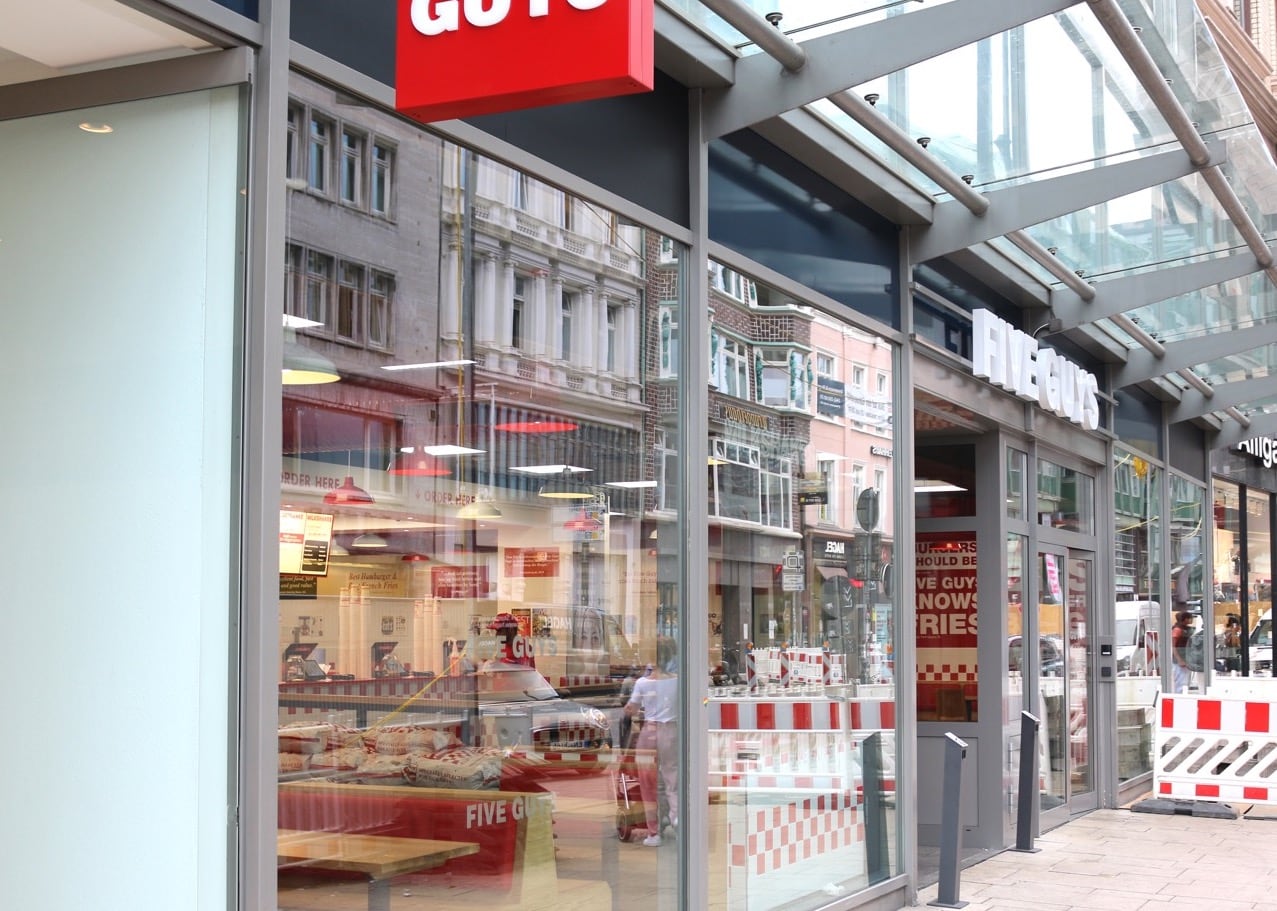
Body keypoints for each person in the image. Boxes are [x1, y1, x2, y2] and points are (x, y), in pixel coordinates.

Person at [625, 637, 678, 847]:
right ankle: (676, 817)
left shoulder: (642, 683)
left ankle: (653, 833)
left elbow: (632, 709)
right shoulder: (678, 681)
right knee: (672, 778)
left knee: (648, 783)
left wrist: (627, 708)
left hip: (649, 732)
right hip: (671, 731)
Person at [1171, 610, 1194, 692]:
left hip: (1185, 658)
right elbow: (1173, 645)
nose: (1192, 620)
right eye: (1190, 618)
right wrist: (1179, 659)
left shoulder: (1185, 629)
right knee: (1181, 681)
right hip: (1179, 659)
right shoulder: (1178, 630)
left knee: (1185, 680)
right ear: (1185, 619)